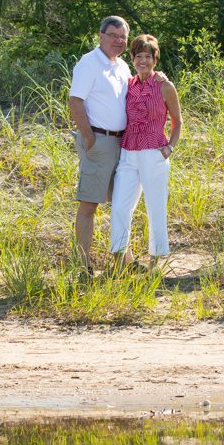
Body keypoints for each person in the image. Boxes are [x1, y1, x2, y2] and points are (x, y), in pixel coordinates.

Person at [108, 35, 183, 268]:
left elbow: (178, 121)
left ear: (155, 59)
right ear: (132, 58)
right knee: (120, 206)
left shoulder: (164, 86)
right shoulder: (128, 85)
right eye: (138, 56)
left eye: (147, 56)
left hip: (154, 153)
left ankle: (155, 263)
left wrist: (170, 147)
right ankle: (119, 262)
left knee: (155, 207)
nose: (143, 61)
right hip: (128, 154)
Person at [69, 16, 132, 271]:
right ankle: (83, 265)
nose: (118, 41)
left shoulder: (123, 66)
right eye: (113, 35)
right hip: (98, 141)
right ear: (101, 36)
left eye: (123, 37)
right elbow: (75, 101)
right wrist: (89, 138)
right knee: (89, 204)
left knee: (122, 204)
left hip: (123, 144)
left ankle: (124, 261)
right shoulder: (89, 63)